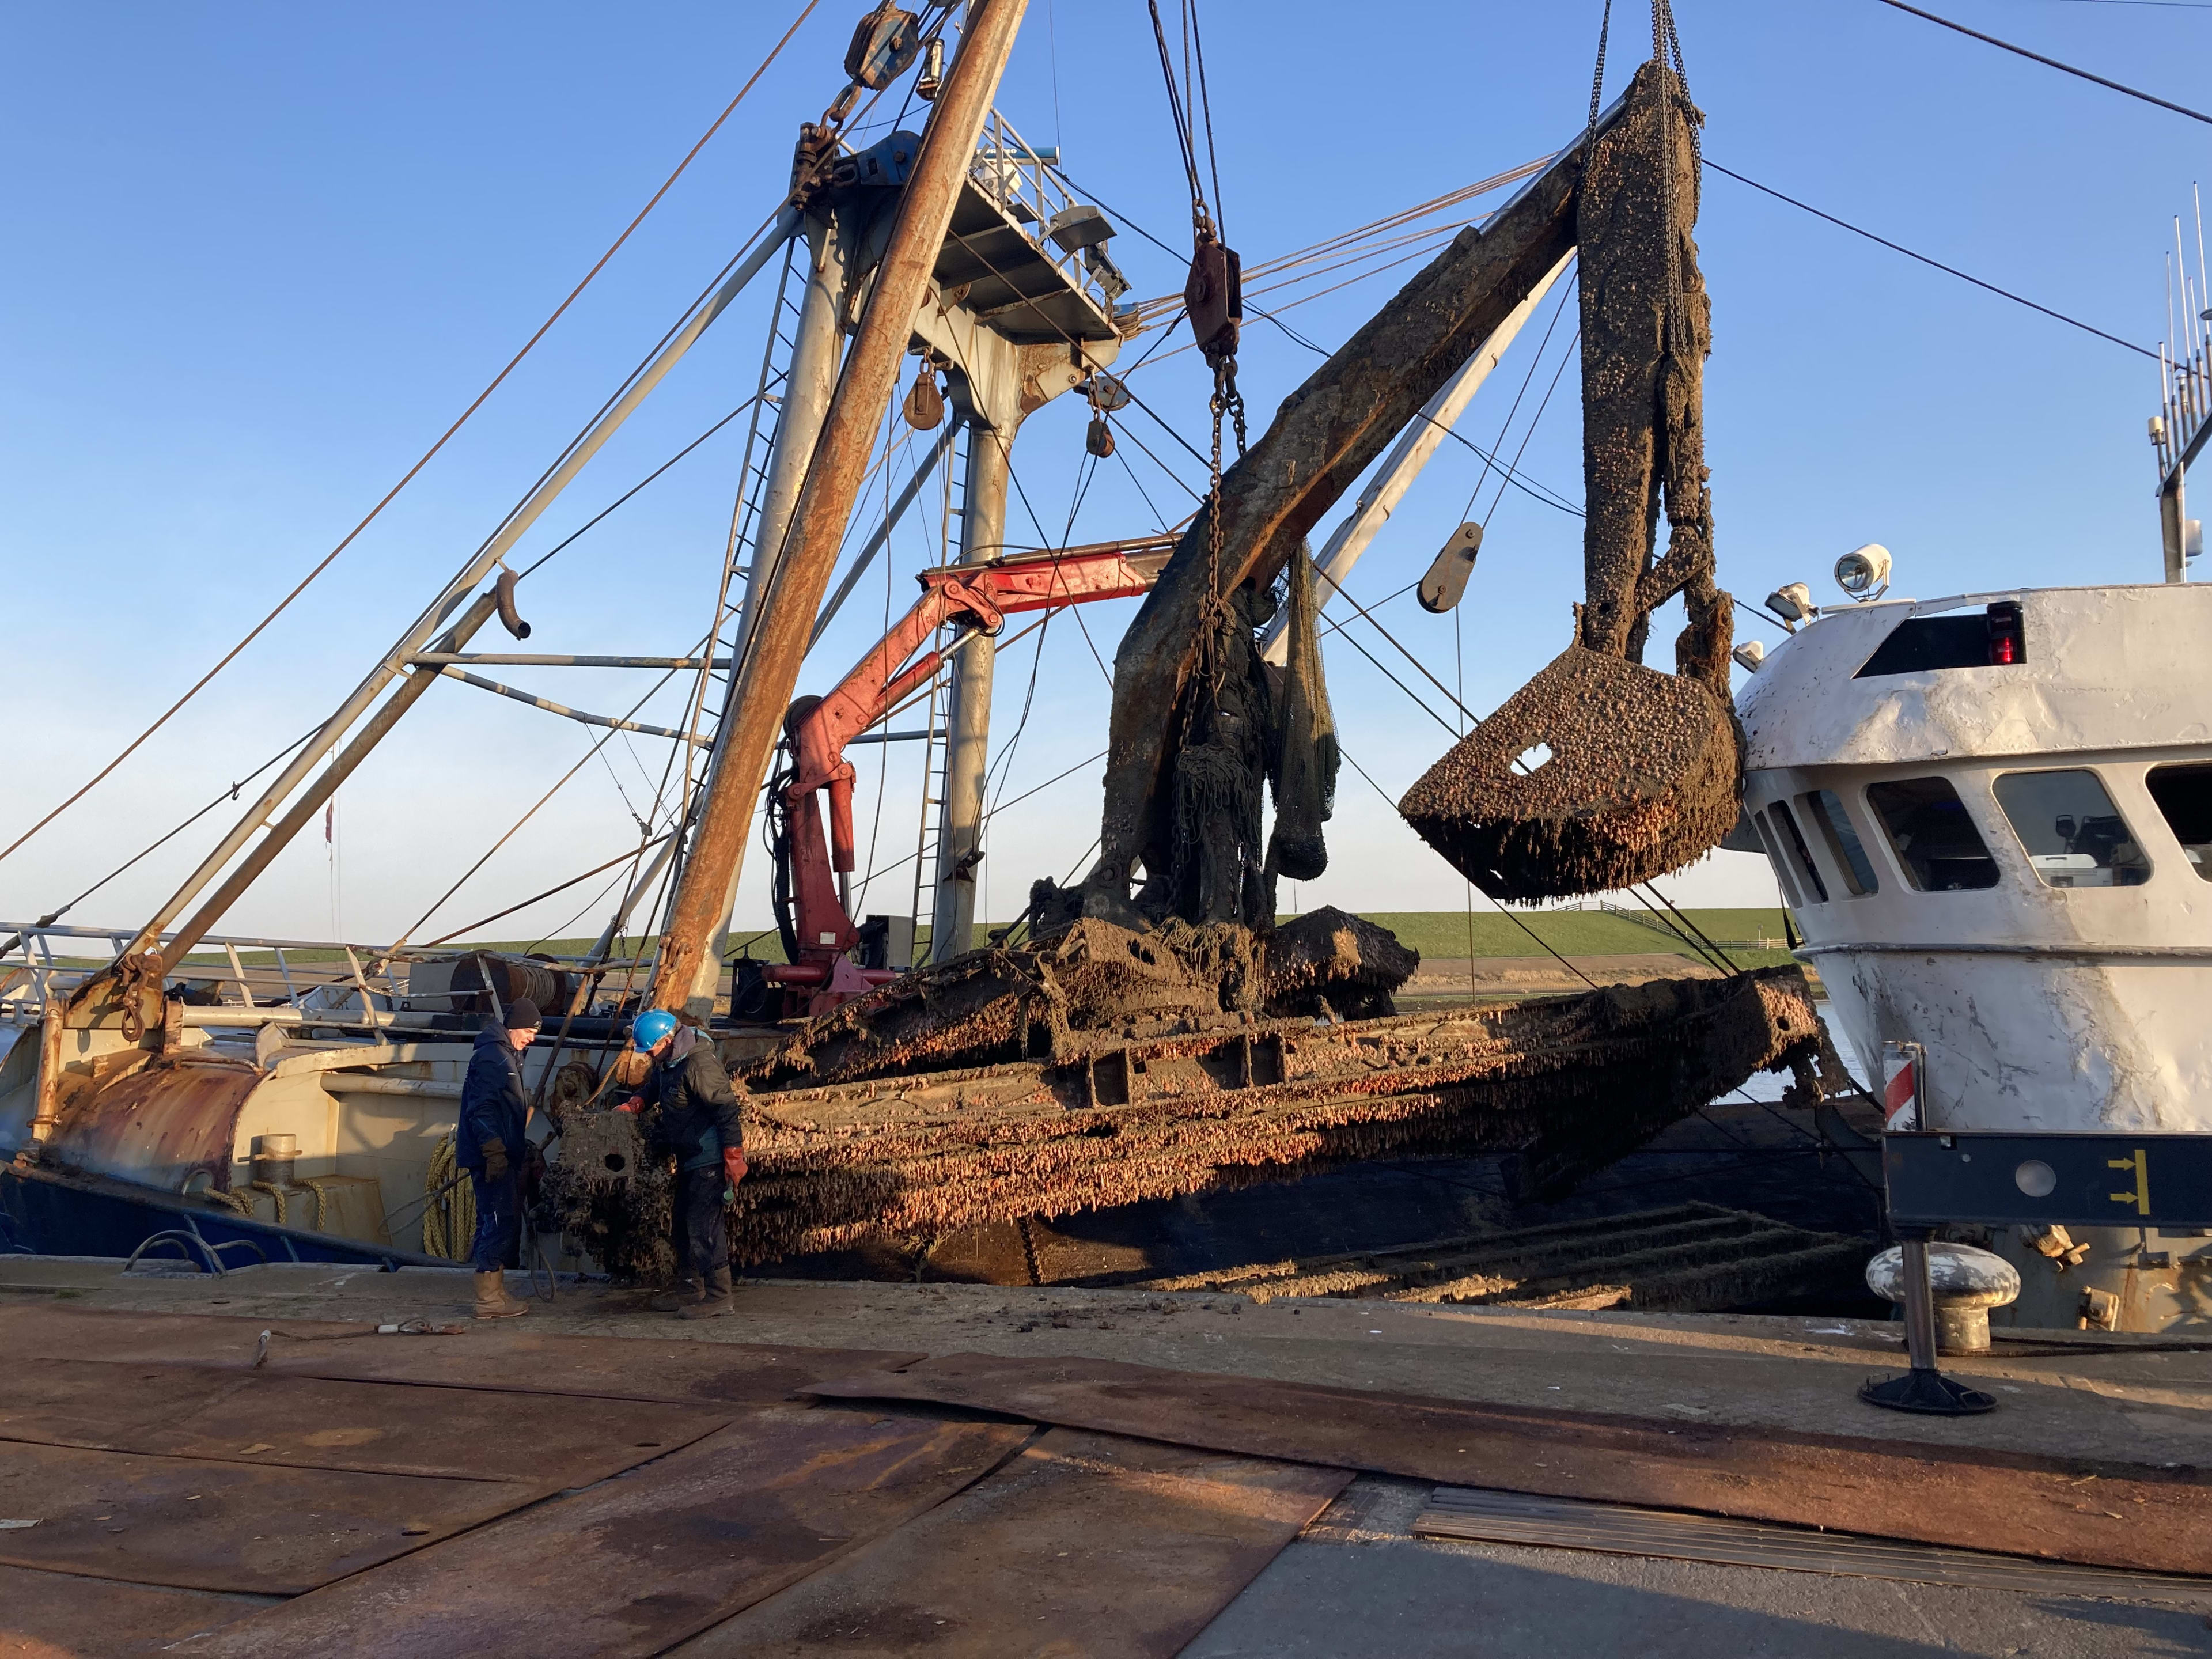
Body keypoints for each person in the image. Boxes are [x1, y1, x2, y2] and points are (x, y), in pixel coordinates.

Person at [623, 1008, 747, 1317]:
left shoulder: (699, 1064)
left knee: (703, 1226)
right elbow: (658, 1085)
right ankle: (691, 1288)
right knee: (681, 1224)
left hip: (708, 1157)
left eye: (649, 1049)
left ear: (667, 1040)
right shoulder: (669, 1060)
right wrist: (638, 1101)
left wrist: (733, 1157)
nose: (648, 1055)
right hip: (689, 1156)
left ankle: (720, 1296)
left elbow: (726, 1110)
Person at [456, 996, 540, 1319]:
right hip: (493, 1156)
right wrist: (494, 1153)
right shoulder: (494, 1059)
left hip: (501, 1153)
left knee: (495, 1220)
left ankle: (495, 1292)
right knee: (498, 1221)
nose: (532, 1038)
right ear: (515, 1027)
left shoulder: (506, 1055)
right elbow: (483, 1108)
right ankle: (489, 1300)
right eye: (530, 1032)